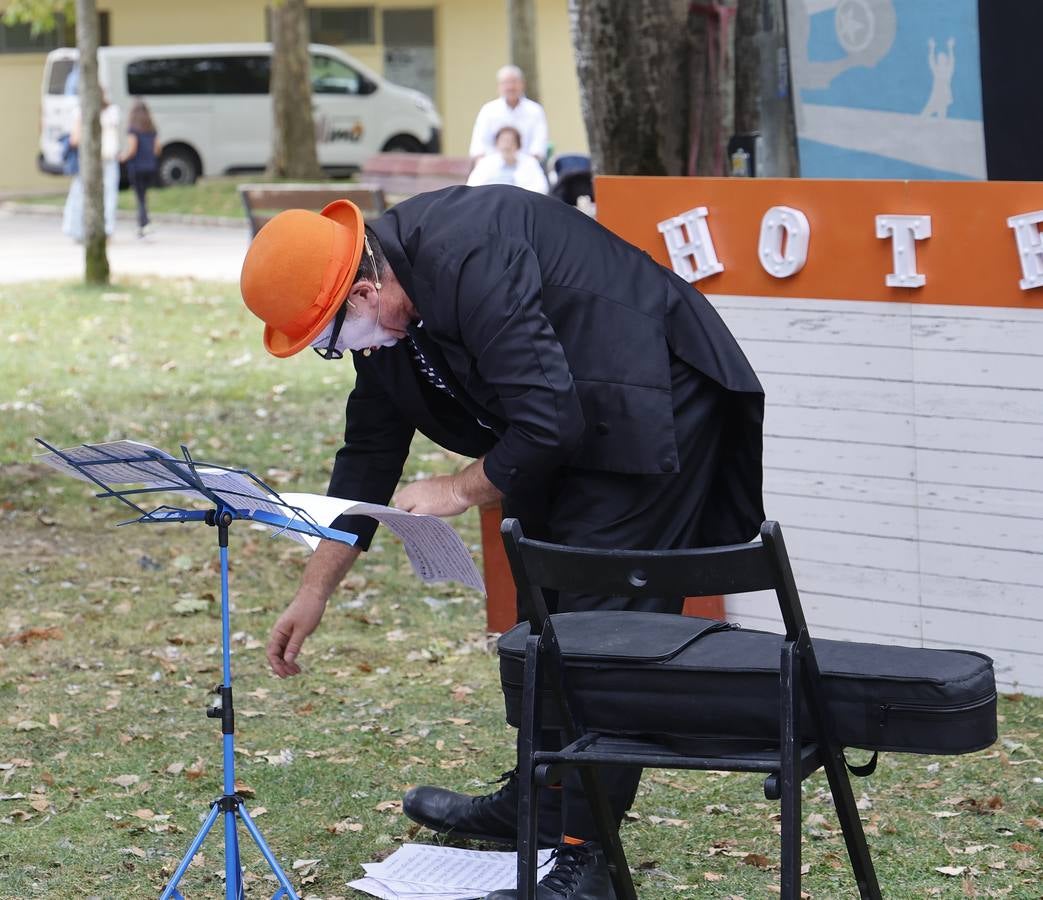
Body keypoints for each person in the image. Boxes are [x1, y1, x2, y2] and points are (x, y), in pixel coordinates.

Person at [240, 185, 764, 900]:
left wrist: (457, 489)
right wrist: (313, 589)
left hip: (650, 397)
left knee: (601, 630)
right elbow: (367, 453)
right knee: (545, 617)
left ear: (362, 291)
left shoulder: (468, 256)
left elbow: (549, 419)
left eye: (332, 343)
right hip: (562, 419)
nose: (346, 354)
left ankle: (585, 853)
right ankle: (538, 797)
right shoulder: (387, 311)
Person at [62, 91, 120, 241]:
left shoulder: (81, 112)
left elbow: (75, 139)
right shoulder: (112, 112)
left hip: (89, 158)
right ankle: (106, 229)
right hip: (109, 157)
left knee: (80, 193)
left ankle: (77, 229)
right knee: (109, 194)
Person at [469, 65, 548, 163]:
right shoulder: (488, 110)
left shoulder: (535, 110)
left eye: (514, 82)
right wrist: (485, 170)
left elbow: (538, 146)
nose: (510, 87)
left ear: (522, 84)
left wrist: (527, 168)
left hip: (527, 167)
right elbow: (478, 146)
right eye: (506, 83)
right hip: (493, 168)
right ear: (499, 87)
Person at [120, 99, 161, 238]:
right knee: (144, 196)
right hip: (150, 166)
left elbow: (132, 149)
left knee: (140, 197)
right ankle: (145, 222)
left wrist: (122, 157)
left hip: (137, 167)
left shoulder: (133, 129)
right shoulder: (151, 129)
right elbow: (157, 149)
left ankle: (143, 224)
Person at [466, 126, 549, 194]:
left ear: (518, 144)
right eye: (503, 141)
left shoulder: (530, 163)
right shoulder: (486, 163)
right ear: (497, 144)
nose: (506, 145)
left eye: (510, 141)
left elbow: (542, 188)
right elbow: (472, 186)